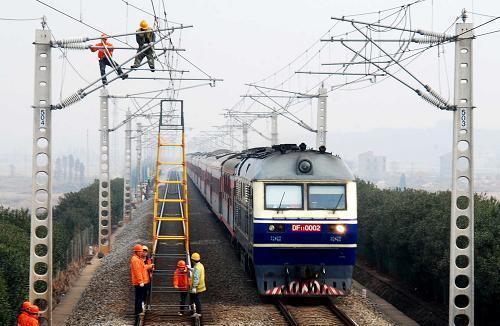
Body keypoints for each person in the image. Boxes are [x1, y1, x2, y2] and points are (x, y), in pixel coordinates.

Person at [131, 244, 146, 325]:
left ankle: (138, 312)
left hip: (140, 282)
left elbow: (142, 268)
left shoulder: (137, 259)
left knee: (139, 298)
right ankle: (138, 313)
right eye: (140, 251)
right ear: (136, 252)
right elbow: (137, 271)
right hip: (139, 283)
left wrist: (149, 266)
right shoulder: (135, 260)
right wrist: (140, 281)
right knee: (139, 298)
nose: (141, 253)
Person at [189, 252, 205, 317]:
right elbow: (196, 271)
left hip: (197, 287)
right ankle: (192, 310)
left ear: (193, 260)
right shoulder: (200, 265)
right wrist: (190, 269)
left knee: (196, 299)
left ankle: (198, 312)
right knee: (193, 298)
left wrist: (194, 287)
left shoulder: (197, 268)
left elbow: (196, 277)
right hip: (200, 286)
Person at [142, 245, 154, 309]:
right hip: (141, 278)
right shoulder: (139, 260)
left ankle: (146, 303)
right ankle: (143, 303)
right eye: (143, 251)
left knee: (147, 291)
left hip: (147, 277)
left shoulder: (149, 259)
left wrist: (151, 270)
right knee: (142, 291)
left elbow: (151, 267)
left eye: (145, 251)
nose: (144, 253)